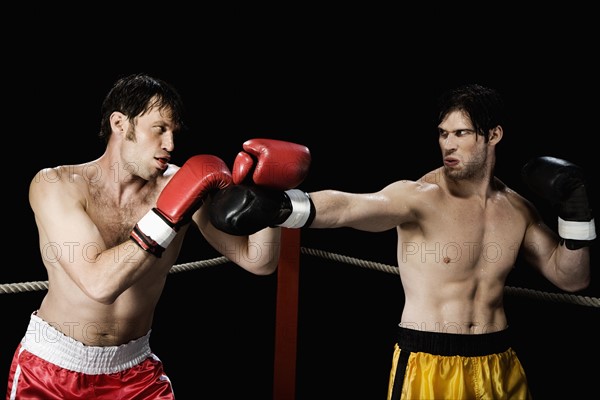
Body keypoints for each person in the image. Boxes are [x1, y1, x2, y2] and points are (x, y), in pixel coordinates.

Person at [208, 84, 595, 399]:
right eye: (443, 134)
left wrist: (577, 215)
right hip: (430, 363)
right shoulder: (419, 196)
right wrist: (283, 208)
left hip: (498, 361)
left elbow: (571, 278)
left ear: (493, 135)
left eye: (461, 134)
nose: (448, 145)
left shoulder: (518, 209)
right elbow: (348, 206)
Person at [6, 73, 311, 399]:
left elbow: (258, 261)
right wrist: (167, 216)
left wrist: (271, 192)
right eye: (160, 129)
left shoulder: (180, 183)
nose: (171, 145)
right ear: (120, 124)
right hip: (51, 369)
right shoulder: (58, 184)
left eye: (174, 132)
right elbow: (99, 285)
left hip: (134, 371)